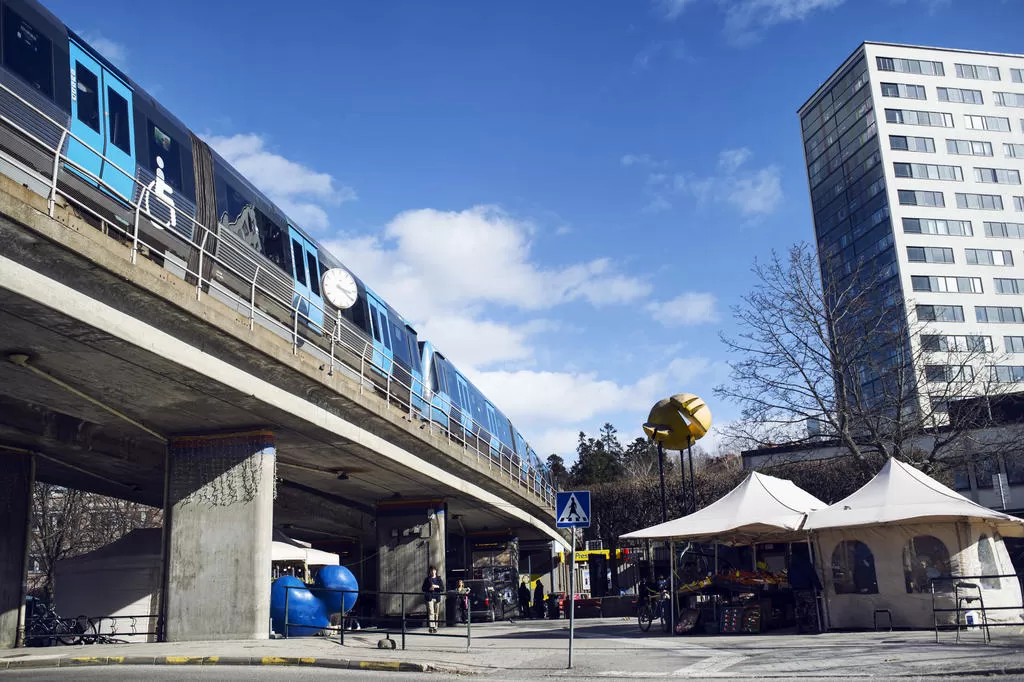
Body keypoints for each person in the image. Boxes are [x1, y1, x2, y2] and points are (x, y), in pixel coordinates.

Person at [421, 566, 444, 633]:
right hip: (430, 597)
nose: (433, 572)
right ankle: (431, 626)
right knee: (431, 612)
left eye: (434, 570)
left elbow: (442, 588)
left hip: (437, 597)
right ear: (430, 572)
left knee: (436, 613)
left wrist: (437, 586)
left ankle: (435, 627)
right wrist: (429, 588)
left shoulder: (439, 579)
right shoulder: (427, 579)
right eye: (431, 571)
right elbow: (423, 588)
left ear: (436, 571)